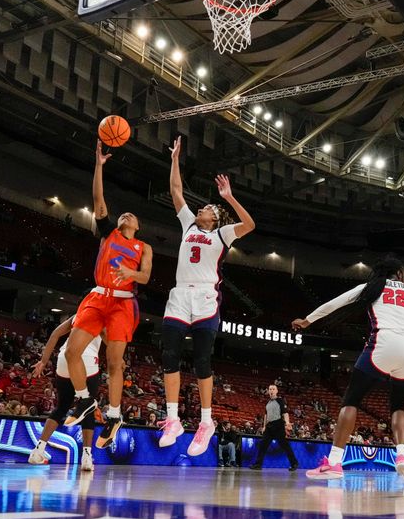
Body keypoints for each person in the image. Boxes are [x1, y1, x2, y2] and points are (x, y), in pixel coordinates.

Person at [292, 256, 404, 484]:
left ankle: (335, 461)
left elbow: (334, 304)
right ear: (400, 274)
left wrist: (307, 321)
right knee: (398, 406)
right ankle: (403, 456)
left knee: (351, 401)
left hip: (384, 342)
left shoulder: (371, 287)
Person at [157, 136, 256, 456]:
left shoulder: (223, 234)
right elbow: (175, 191)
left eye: (209, 207)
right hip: (179, 295)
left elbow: (251, 224)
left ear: (215, 217)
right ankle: (173, 420)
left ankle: (206, 421)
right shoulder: (188, 224)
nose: (202, 207)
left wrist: (228, 197)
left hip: (204, 298)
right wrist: (174, 159)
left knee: (201, 359)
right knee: (169, 353)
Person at [63, 140, 152, 449]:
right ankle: (84, 399)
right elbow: (98, 197)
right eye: (123, 213)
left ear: (137, 226)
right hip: (98, 296)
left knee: (116, 363)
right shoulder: (109, 233)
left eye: (132, 215)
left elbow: (146, 276)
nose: (126, 214)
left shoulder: (143, 247)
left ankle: (114, 416)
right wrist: (99, 165)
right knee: (71, 352)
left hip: (123, 304)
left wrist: (132, 274)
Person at [28, 314, 103, 471]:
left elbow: (55, 334)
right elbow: (110, 340)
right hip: (86, 358)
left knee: (62, 407)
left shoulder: (78, 315)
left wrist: (43, 361)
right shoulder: (103, 315)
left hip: (64, 358)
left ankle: (38, 450)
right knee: (88, 407)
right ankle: (87, 457)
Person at [250, 385, 298, 471]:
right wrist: (264, 426)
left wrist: (287, 422)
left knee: (285, 445)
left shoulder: (280, 401)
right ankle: (258, 464)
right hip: (269, 426)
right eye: (270, 389)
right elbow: (266, 415)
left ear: (276, 391)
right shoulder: (268, 403)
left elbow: (285, 413)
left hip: (278, 425)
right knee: (263, 445)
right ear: (268, 391)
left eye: (273, 389)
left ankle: (294, 463)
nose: (271, 390)